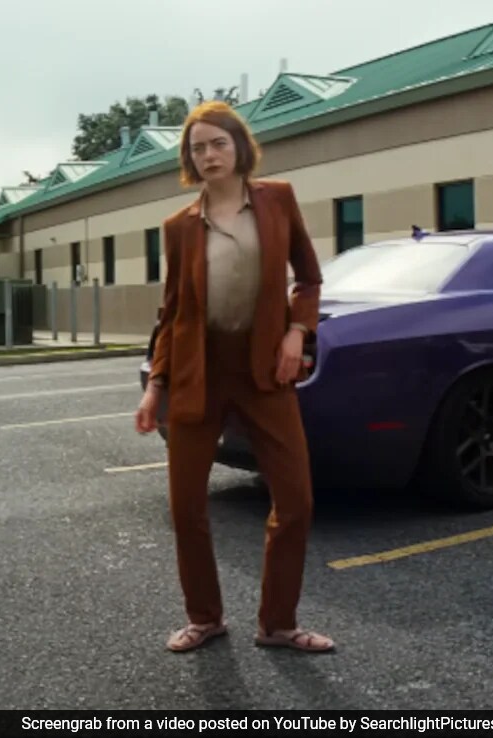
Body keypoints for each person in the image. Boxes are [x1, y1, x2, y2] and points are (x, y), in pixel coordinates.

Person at [134, 101, 335, 654]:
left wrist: (297, 332)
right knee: (186, 507)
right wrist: (155, 386)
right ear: (189, 159)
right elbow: (173, 312)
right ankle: (204, 618)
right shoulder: (179, 227)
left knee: (296, 501)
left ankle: (278, 624)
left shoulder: (278, 200)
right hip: (198, 373)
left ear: (239, 147)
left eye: (218, 143)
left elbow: (309, 279)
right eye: (197, 148)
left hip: (264, 369)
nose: (208, 155)